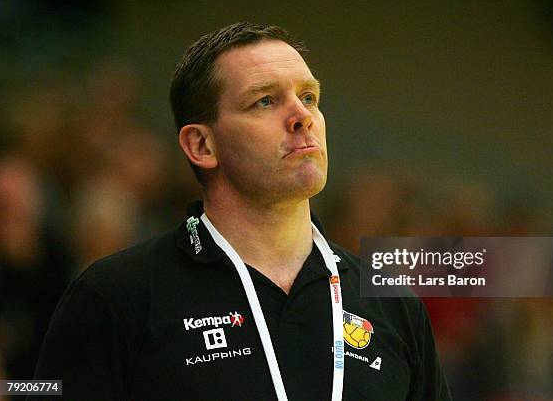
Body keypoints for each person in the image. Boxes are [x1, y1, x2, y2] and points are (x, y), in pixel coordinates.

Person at [31, 22, 452, 400]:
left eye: (309, 96)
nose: (302, 116)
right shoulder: (115, 295)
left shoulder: (394, 304)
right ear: (202, 145)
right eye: (265, 101)